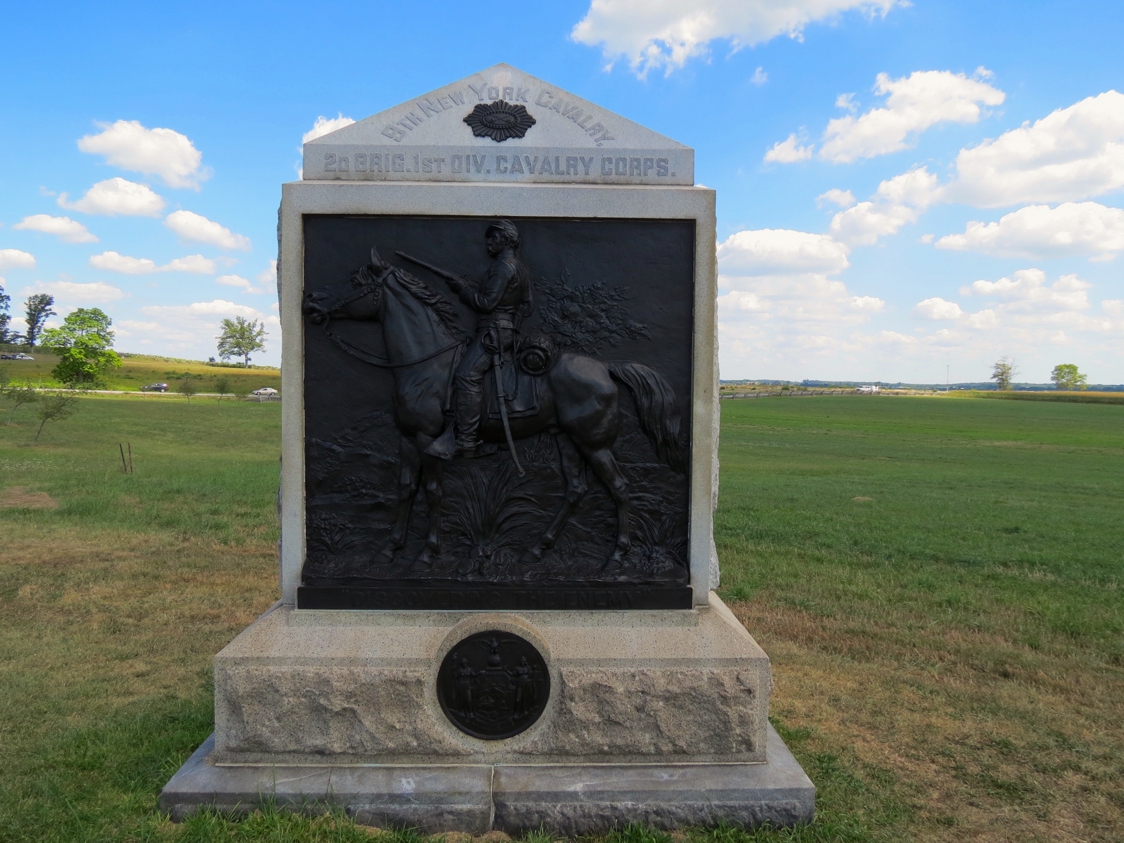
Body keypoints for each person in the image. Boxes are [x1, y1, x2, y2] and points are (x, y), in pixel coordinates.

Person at [441, 220, 530, 457]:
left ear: (506, 239)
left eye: (493, 238)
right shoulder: (520, 267)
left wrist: (462, 289)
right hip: (505, 330)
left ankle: (466, 441)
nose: (488, 243)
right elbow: (528, 305)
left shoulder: (503, 267)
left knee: (466, 375)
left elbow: (486, 304)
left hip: (494, 332)